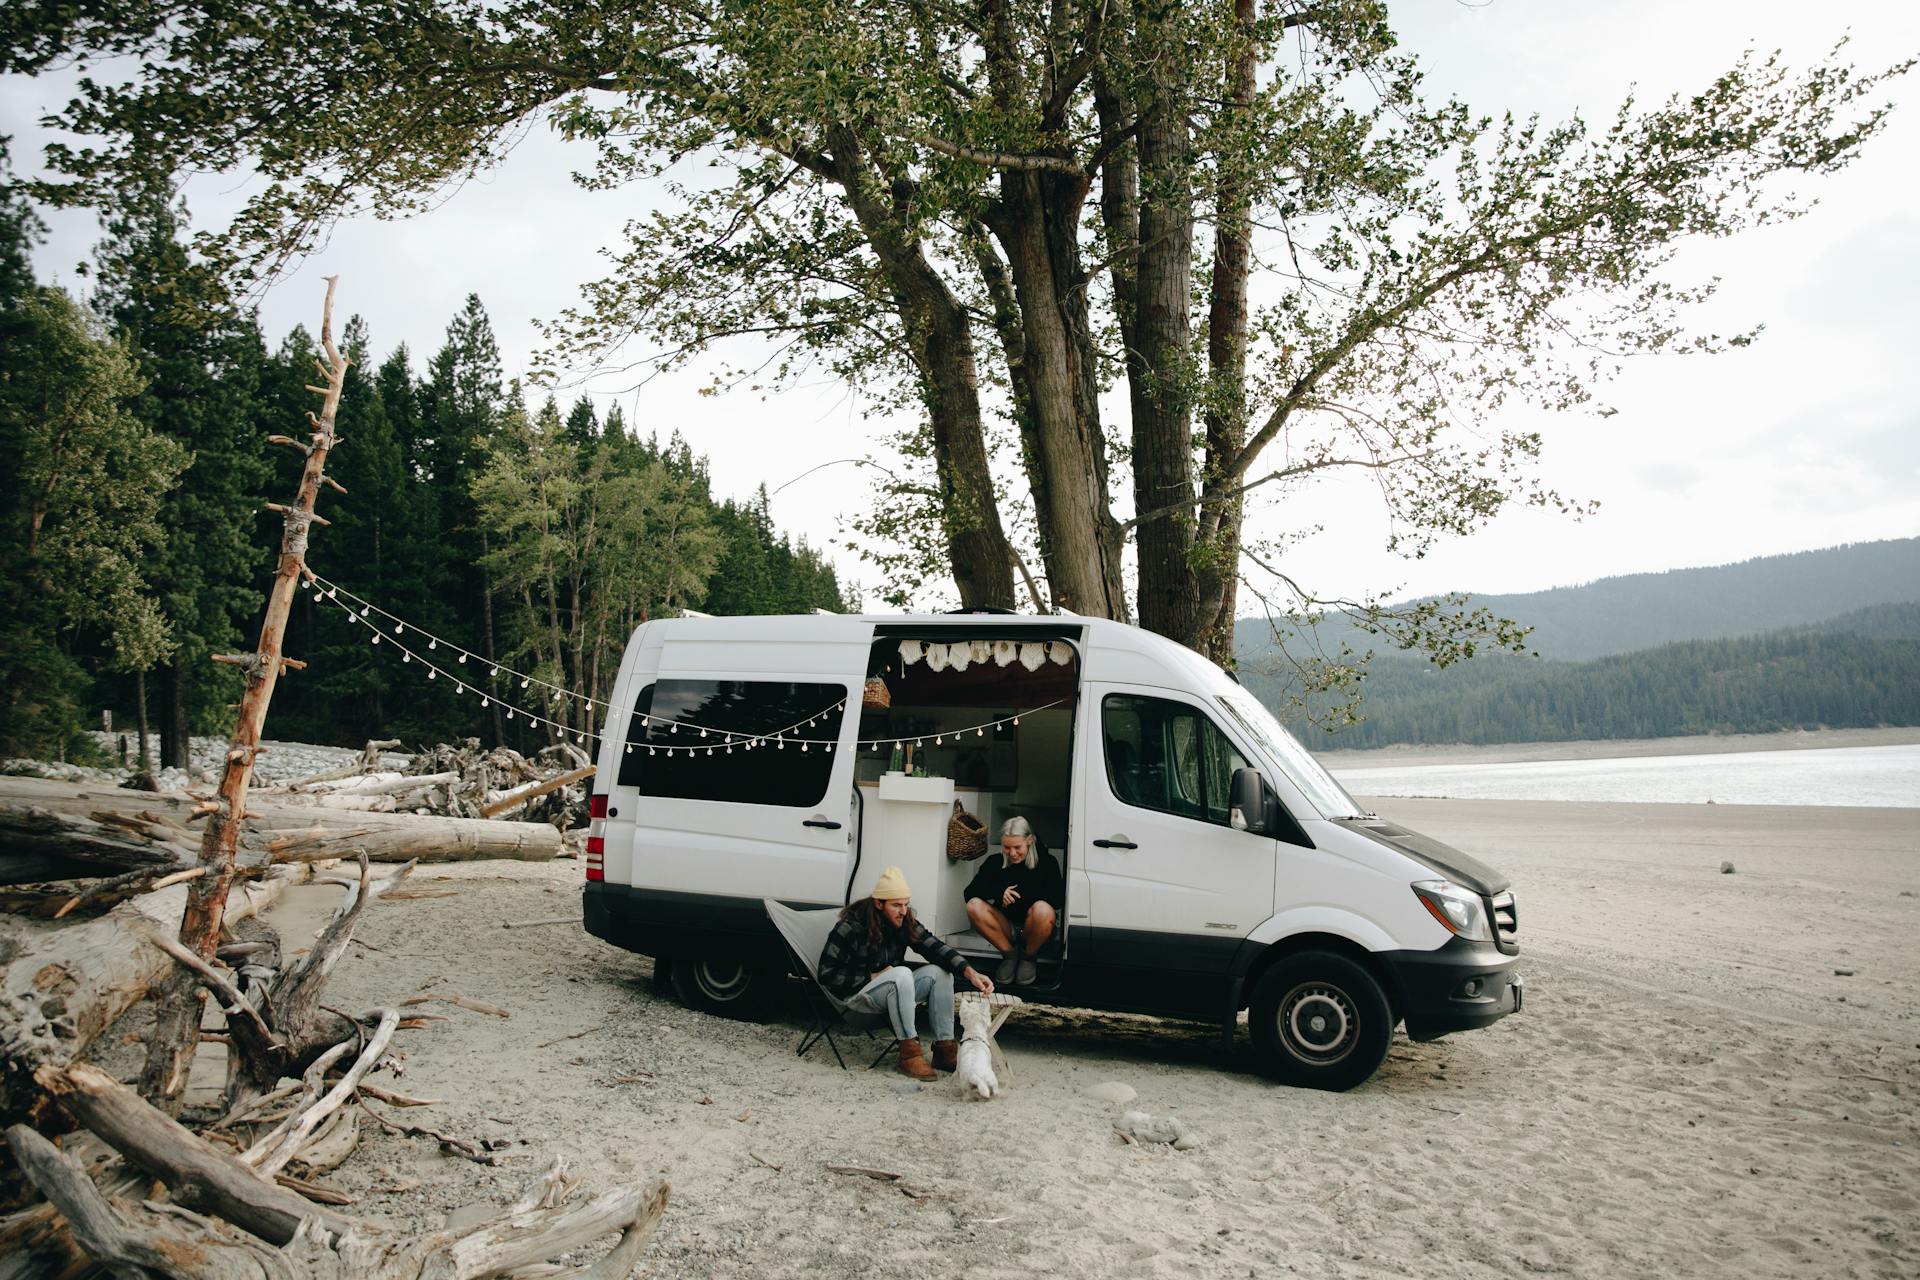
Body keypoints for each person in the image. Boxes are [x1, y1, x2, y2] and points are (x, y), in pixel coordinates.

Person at [819, 866, 994, 1080]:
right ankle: (909, 1055)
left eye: (905, 904)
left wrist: (970, 972)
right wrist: (870, 977)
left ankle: (944, 1049)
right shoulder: (851, 927)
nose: (903, 911)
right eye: (896, 905)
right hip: (857, 996)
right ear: (878, 903)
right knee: (901, 974)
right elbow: (826, 974)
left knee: (940, 972)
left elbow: (933, 947)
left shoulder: (903, 921)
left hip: (892, 991)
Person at [964, 816, 1063, 985]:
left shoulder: (1047, 863)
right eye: (1006, 847)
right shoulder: (994, 862)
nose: (1012, 853)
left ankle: (1028, 957)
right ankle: (1010, 955)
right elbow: (970, 893)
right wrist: (998, 892)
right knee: (973, 906)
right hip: (1007, 927)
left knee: (1043, 909)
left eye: (1018, 847)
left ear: (1030, 841)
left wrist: (1025, 896)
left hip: (1034, 927)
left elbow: (1057, 899)